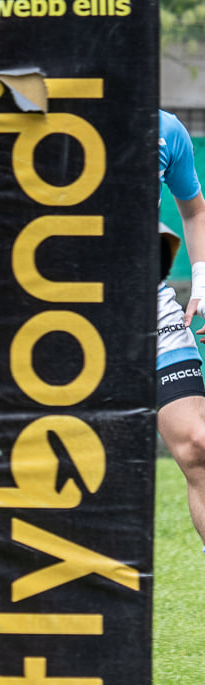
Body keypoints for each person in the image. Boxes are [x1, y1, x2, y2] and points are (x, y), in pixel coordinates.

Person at [158, 109, 205, 546]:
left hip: (149, 306)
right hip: (64, 311)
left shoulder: (166, 129)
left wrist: (202, 283)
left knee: (198, 443)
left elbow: (194, 211)